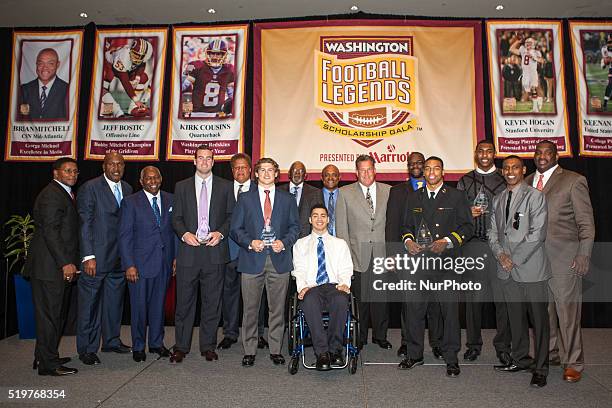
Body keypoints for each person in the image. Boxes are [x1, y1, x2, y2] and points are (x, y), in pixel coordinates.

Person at [526, 140, 595, 383]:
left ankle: (573, 362)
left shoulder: (573, 181)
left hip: (564, 258)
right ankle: (550, 352)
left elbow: (586, 223)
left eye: (548, 152)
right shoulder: (526, 182)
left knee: (567, 311)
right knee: (542, 312)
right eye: (538, 152)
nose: (542, 156)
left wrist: (584, 253)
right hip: (534, 261)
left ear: (556, 156)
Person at [399, 156, 473, 377]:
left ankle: (451, 358)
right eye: (428, 168)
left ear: (443, 172)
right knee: (414, 310)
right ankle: (414, 354)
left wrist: (448, 241)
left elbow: (468, 227)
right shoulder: (414, 197)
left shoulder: (457, 196)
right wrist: (408, 241)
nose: (431, 171)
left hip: (446, 263)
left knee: (449, 312)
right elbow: (405, 226)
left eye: (436, 168)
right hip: (419, 264)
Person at [230, 157, 300, 367]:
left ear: (277, 174)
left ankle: (275, 349)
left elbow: (295, 227)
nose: (267, 174)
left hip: (279, 260)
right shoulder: (245, 199)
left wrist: (284, 242)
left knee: (277, 309)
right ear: (256, 174)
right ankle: (249, 349)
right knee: (251, 309)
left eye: (271, 170)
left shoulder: (288, 199)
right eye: (263, 170)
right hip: (252, 259)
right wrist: (250, 243)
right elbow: (235, 229)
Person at [490, 155, 550, 388]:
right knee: (515, 319)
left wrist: (512, 259)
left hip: (531, 268)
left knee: (539, 321)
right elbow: (493, 233)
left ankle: (541, 368)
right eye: (506, 168)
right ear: (502, 171)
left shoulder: (535, 196)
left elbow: (537, 234)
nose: (510, 171)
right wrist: (500, 255)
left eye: (515, 167)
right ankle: (521, 359)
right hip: (506, 269)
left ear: (524, 170)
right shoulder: (498, 198)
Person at [170, 145, 234, 363]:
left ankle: (208, 346)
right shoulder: (181, 187)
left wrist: (221, 233)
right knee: (184, 303)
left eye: (209, 158)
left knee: (212, 303)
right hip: (189, 251)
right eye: (201, 158)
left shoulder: (226, 187)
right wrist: (184, 233)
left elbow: (231, 217)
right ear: (194, 161)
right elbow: (175, 218)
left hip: (214, 253)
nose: (205, 161)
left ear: (214, 162)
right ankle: (181, 346)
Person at [456, 140, 511, 364]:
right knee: (473, 299)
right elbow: (456, 216)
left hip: (500, 246)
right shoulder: (465, 180)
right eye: (481, 151)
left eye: (489, 151)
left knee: (502, 299)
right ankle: (473, 344)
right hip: (474, 245)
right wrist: (468, 212)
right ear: (475, 154)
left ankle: (503, 346)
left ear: (494, 154)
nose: (485, 154)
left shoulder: (505, 177)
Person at [77, 152, 133, 366]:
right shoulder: (90, 188)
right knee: (89, 306)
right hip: (96, 258)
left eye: (120, 164)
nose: (116, 168)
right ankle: (87, 349)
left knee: (113, 304)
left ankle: (111, 341)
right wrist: (88, 255)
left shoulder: (127, 189)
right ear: (104, 166)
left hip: (119, 259)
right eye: (111, 164)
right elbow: (85, 224)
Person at [25, 158, 79, 376]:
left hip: (52, 267)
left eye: (75, 171)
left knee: (53, 316)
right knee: (50, 317)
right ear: (55, 173)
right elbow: (51, 232)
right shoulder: (51, 195)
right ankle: (48, 364)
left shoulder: (62, 192)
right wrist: (65, 263)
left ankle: (43, 356)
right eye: (67, 171)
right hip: (50, 268)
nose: (72, 174)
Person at [386, 152, 443, 359]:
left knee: (435, 303)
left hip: (435, 256)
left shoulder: (440, 191)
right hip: (408, 255)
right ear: (408, 167)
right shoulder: (398, 191)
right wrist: (391, 255)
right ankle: (407, 342)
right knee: (409, 304)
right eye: (413, 163)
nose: (417, 166)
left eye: (421, 163)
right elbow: (392, 224)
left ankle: (437, 343)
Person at [119, 166, 176, 362]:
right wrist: (129, 265)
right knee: (139, 308)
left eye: (156, 177)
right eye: (148, 178)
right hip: (139, 266)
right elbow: (124, 236)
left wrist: (175, 258)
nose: (152, 181)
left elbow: (174, 232)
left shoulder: (171, 199)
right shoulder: (130, 202)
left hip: (164, 263)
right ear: (141, 181)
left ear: (161, 179)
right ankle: (138, 346)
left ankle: (156, 343)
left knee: (159, 306)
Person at [335, 154, 391, 350]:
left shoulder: (389, 191)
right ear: (356, 172)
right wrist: (346, 259)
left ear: (375, 170)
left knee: (381, 299)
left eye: (369, 169)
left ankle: (380, 336)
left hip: (383, 255)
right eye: (362, 170)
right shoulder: (344, 193)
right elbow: (341, 230)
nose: (366, 173)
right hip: (357, 256)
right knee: (359, 301)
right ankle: (360, 336)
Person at [292, 204, 353, 371]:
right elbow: (299, 269)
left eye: (323, 216)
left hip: (334, 286)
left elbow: (346, 268)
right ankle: (322, 354)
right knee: (309, 300)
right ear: (310, 220)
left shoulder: (340, 244)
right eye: (315, 216)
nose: (319, 219)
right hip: (312, 287)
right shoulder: (300, 244)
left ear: (328, 220)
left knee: (341, 300)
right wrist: (302, 287)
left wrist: (345, 284)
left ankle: (335, 351)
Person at [218, 153, 269, 350]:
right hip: (228, 251)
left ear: (251, 170)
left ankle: (258, 333)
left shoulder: (261, 191)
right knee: (228, 294)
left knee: (258, 296)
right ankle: (230, 333)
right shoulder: (221, 190)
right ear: (232, 171)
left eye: (244, 167)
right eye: (236, 168)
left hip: (254, 251)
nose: (240, 171)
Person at [101, 38, 153, 118]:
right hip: (107, 65)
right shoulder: (123, 56)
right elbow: (125, 82)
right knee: (103, 88)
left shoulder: (141, 59)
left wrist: (137, 78)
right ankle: (113, 111)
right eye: (134, 53)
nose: (134, 57)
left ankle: (133, 108)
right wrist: (137, 100)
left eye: (138, 55)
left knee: (143, 77)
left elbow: (142, 64)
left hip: (123, 68)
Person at [182, 38, 234, 117]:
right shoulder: (196, 66)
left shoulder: (229, 69)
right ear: (208, 53)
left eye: (218, 54)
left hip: (217, 115)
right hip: (197, 114)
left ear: (224, 55)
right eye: (212, 53)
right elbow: (183, 87)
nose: (215, 56)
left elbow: (231, 94)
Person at [19, 48, 68, 120]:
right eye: (41, 63)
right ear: (36, 64)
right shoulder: (24, 90)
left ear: (58, 65)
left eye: (50, 63)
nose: (45, 68)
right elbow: (22, 119)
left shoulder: (67, 90)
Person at [279, 161, 322, 238]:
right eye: (294, 171)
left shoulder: (315, 192)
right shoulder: (278, 191)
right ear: (289, 174)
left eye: (301, 171)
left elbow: (317, 219)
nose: (297, 173)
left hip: (306, 240)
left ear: (305, 175)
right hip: (282, 240)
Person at [509, 36, 544, 112]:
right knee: (527, 90)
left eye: (530, 43)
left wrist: (535, 58)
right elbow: (511, 49)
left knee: (533, 88)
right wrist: (517, 41)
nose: (528, 45)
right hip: (525, 73)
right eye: (527, 43)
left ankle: (535, 108)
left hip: (532, 72)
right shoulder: (522, 50)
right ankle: (538, 99)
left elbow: (542, 61)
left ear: (533, 44)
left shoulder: (536, 52)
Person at [320, 164, 340, 236]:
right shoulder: (313, 196)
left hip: (342, 241)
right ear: (322, 178)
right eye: (326, 175)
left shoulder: (346, 196)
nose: (330, 178)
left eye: (334, 175)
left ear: (339, 177)